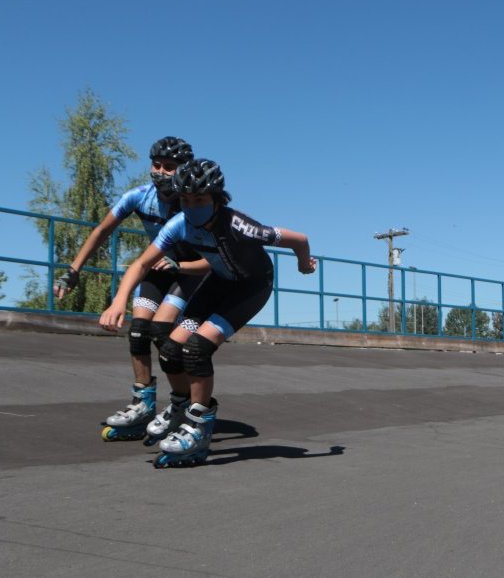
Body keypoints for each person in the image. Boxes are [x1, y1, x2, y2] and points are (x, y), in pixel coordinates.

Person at [99, 159, 316, 467]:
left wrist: (304, 264)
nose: (191, 207)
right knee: (170, 350)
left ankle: (199, 424)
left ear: (216, 199)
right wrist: (119, 301)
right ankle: (180, 405)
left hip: (250, 289)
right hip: (219, 282)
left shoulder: (239, 225)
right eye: (185, 200)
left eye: (199, 200)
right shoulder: (179, 224)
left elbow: (299, 239)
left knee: (197, 349)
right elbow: (142, 263)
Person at [56, 136, 207, 440]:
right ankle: (143, 403)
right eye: (156, 164)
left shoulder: (193, 201)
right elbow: (102, 230)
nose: (160, 171)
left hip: (189, 272)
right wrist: (73, 271)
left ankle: (183, 405)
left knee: (162, 335)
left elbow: (216, 251)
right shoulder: (138, 196)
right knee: (138, 331)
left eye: (169, 166)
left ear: (182, 170)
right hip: (158, 269)